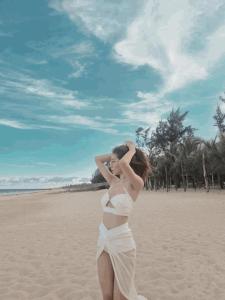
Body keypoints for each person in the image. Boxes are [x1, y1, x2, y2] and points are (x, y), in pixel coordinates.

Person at [95, 140, 151, 300]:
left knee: (120, 297)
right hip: (103, 240)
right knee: (106, 295)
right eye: (111, 161)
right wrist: (114, 154)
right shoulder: (113, 181)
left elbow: (125, 164)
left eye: (114, 161)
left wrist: (131, 149)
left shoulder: (136, 183)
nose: (111, 164)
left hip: (122, 241)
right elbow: (97, 159)